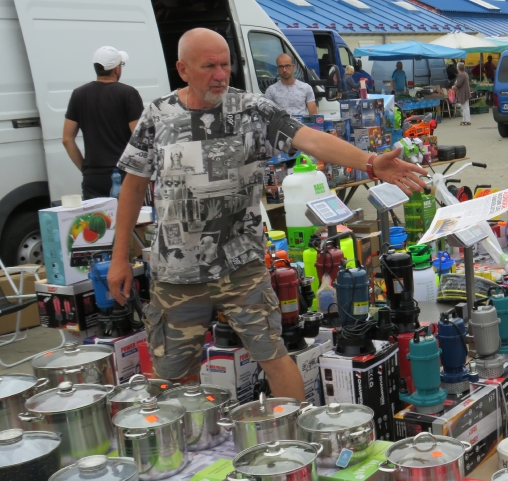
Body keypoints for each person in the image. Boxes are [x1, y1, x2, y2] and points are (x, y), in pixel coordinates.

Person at [110, 28, 427, 400]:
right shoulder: (157, 115)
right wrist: (119, 258)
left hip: (241, 266)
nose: (220, 74)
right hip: (177, 272)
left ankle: (292, 432)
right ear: (183, 69)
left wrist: (370, 162)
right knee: (175, 378)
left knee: (275, 358)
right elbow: (132, 188)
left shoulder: (252, 110)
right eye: (209, 66)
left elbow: (310, 138)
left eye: (225, 64)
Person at [62, 46, 144, 199]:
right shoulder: (128, 93)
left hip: (93, 178)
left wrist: (85, 170)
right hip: (124, 175)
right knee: (127, 215)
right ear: (117, 69)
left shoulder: (79, 94)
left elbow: (67, 139)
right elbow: (140, 138)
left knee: (97, 215)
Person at [451, 62, 471, 126]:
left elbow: (459, 84)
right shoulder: (465, 74)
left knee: (464, 107)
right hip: (465, 92)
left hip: (463, 93)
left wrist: (454, 87)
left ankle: (467, 120)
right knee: (465, 107)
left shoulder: (461, 75)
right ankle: (465, 120)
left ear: (458, 68)